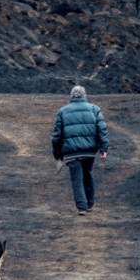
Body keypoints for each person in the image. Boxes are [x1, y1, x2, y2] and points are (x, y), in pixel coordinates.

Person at [52, 84, 109, 215]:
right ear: (85, 96)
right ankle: (90, 203)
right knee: (88, 174)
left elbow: (56, 136)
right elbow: (102, 130)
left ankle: (81, 207)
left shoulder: (62, 111)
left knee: (77, 178)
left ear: (71, 96)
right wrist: (103, 148)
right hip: (89, 151)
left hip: (71, 152)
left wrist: (58, 154)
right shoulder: (94, 109)